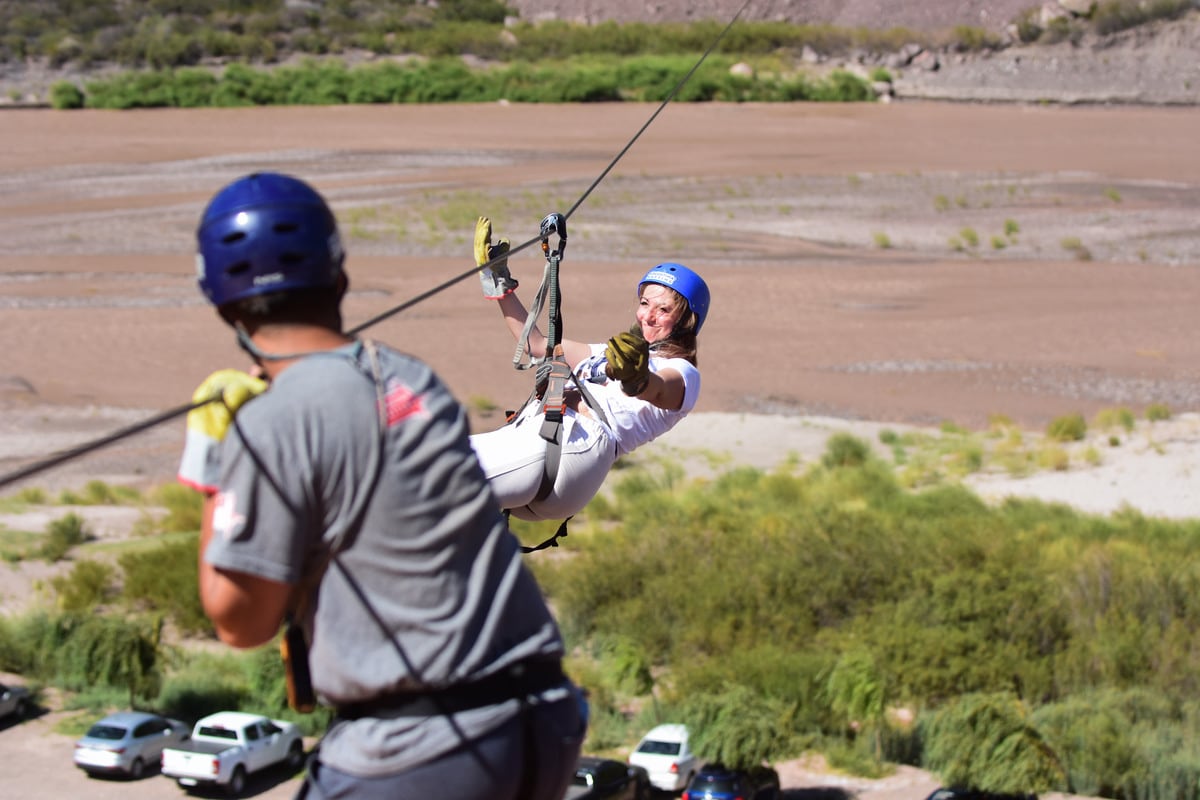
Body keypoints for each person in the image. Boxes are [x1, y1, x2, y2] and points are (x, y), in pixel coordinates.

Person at [177, 172, 584, 800]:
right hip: (544, 718)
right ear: (338, 279)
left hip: (423, 747)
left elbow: (240, 620)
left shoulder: (268, 420)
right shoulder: (409, 380)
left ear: (221, 304)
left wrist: (214, 452)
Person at [468, 216, 709, 521]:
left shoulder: (683, 372)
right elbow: (538, 345)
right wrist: (498, 281)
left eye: (664, 310)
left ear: (686, 321)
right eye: (645, 303)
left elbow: (660, 389)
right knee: (424, 456)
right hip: (539, 435)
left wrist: (637, 380)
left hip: (576, 445)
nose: (648, 316)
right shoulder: (606, 352)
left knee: (440, 477)